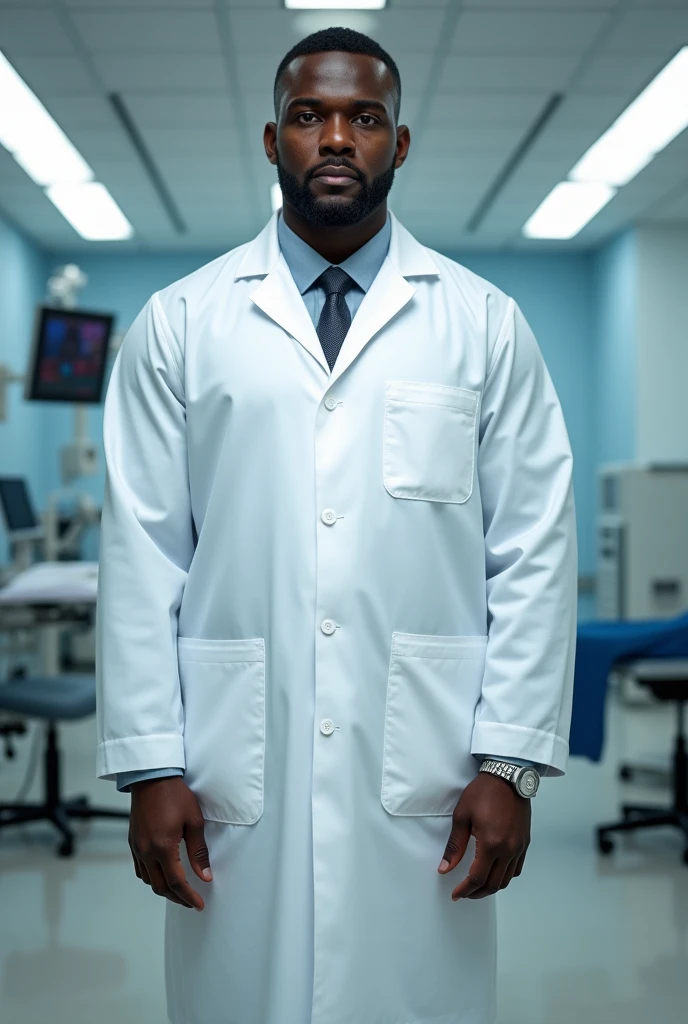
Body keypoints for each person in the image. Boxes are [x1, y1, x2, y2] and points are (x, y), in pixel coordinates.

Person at [96, 26, 577, 1024]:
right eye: (310, 116)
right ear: (274, 137)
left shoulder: (482, 326)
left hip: (427, 772)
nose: (335, 139)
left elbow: (532, 547)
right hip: (236, 769)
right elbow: (141, 552)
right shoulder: (180, 325)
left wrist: (509, 761)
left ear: (397, 146)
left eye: (364, 118)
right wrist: (150, 761)